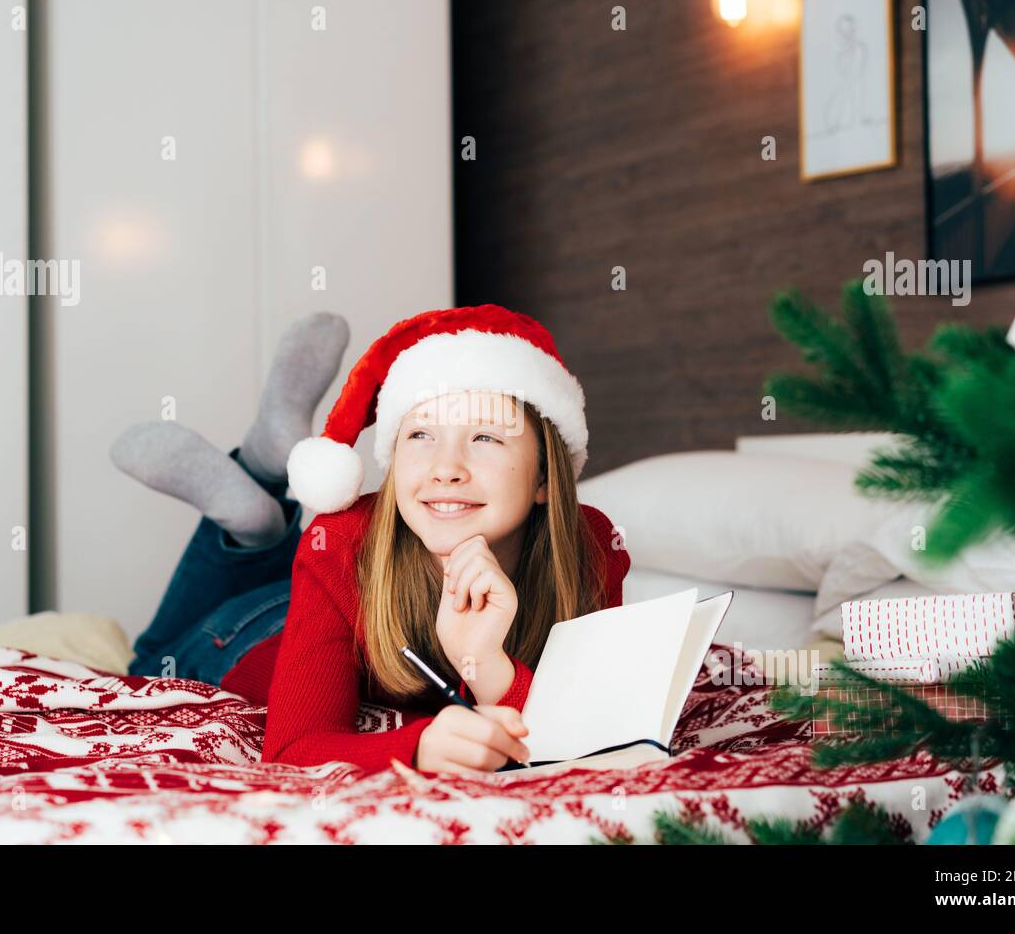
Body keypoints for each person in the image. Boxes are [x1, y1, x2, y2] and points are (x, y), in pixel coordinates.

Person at [112, 304, 630, 776]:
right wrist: (419, 747)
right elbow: (294, 750)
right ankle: (255, 513)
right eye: (421, 436)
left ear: (545, 478)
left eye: (485, 437)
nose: (446, 469)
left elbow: (585, 734)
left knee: (281, 559)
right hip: (249, 638)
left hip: (322, 597)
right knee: (149, 661)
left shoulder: (593, 547)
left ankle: (256, 519)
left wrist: (487, 662)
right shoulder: (341, 540)